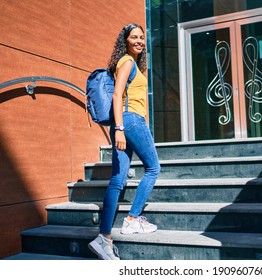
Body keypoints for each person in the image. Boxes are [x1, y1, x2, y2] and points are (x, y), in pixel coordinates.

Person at [88, 23, 161, 260]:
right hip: (130, 121)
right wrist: (119, 128)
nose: (139, 41)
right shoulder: (127, 62)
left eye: (141, 37)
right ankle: (132, 218)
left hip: (127, 122)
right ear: (126, 40)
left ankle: (104, 237)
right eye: (134, 37)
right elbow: (117, 95)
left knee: (117, 179)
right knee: (153, 168)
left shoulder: (130, 63)